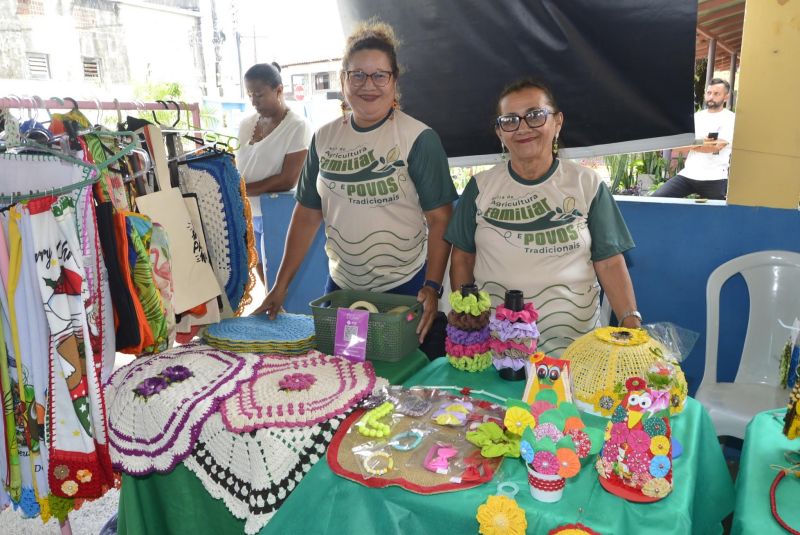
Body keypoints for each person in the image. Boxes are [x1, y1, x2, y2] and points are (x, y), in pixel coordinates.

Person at [256, 21, 457, 348]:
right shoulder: (324, 137)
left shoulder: (418, 138)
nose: (369, 85)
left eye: (380, 75)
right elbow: (307, 214)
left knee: (404, 379)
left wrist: (432, 288)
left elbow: (440, 219)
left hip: (405, 288)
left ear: (394, 81)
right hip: (344, 289)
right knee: (347, 375)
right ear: (343, 80)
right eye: (358, 75)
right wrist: (279, 288)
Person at [446, 79, 641, 357]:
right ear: (500, 132)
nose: (523, 128)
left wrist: (630, 323)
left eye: (535, 115)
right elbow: (463, 257)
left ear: (557, 122)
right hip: (496, 345)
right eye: (510, 120)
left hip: (573, 349)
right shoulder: (480, 187)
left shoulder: (587, 184)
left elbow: (609, 262)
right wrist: (468, 323)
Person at [236, 62, 313, 284]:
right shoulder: (245, 124)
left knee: (278, 275)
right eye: (250, 94)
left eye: (259, 95)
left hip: (277, 213)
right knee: (260, 272)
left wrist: (241, 191)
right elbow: (240, 165)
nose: (253, 101)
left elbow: (288, 179)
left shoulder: (298, 126)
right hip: (248, 213)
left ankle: (281, 314)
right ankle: (274, 312)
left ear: (279, 90)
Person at [652, 78, 735, 200]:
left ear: (726, 97)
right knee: (656, 199)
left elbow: (715, 147)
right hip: (688, 175)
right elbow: (677, 146)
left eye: (717, 94)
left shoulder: (730, 118)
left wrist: (694, 144)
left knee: (718, 216)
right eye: (709, 93)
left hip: (715, 178)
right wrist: (702, 142)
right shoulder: (696, 117)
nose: (711, 97)